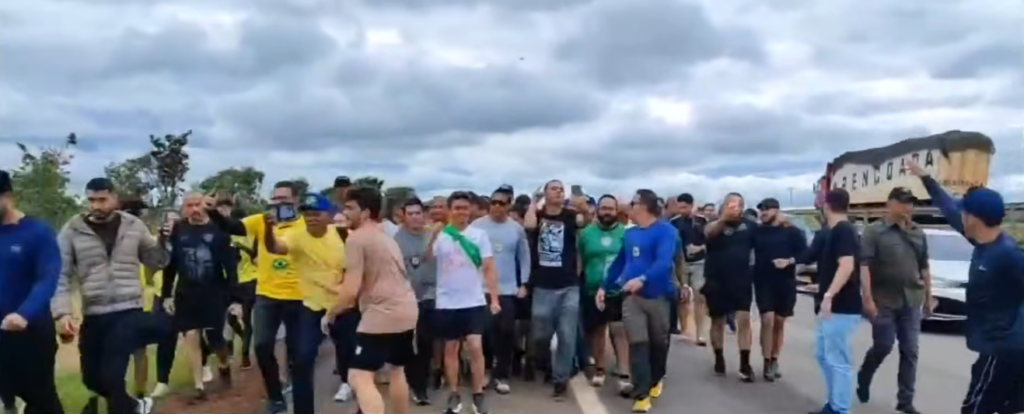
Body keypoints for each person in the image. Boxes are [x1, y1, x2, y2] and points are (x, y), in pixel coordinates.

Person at [908, 160, 1024, 414]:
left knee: (974, 409)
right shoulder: (982, 239)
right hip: (999, 347)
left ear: (974, 218)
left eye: (965, 211)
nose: (960, 214)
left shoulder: (1008, 255)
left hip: (1004, 349)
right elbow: (949, 208)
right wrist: (926, 178)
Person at [52, 178, 171, 414]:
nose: (96, 206)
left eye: (102, 200)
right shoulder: (72, 229)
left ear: (115, 199)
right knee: (92, 380)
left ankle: (125, 407)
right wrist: (62, 312)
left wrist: (164, 240)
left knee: (112, 377)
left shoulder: (133, 225)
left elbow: (156, 261)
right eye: (92, 200)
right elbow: (60, 274)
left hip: (128, 310)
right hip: (94, 313)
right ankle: (136, 406)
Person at [327, 187, 419, 414]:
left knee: (358, 376)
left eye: (349, 208)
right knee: (397, 370)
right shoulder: (386, 237)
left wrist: (330, 313)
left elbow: (350, 292)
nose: (344, 212)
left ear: (366, 212)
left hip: (382, 312)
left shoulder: (356, 239)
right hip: (407, 310)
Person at [264, 193, 351, 414]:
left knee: (354, 360)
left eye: (316, 214)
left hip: (343, 307)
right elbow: (276, 248)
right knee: (302, 360)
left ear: (329, 215)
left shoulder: (342, 235)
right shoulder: (297, 235)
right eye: (307, 214)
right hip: (312, 307)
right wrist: (268, 229)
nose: (311, 218)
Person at [598, 189, 677, 414]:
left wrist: (643, 279)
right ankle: (641, 395)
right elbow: (620, 262)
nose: (627, 207)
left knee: (658, 344)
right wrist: (605, 285)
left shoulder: (666, 231)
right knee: (638, 343)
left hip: (658, 296)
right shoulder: (630, 233)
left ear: (642, 205)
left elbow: (663, 263)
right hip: (632, 298)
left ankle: (656, 378)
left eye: (632, 203)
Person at [161, 192, 241, 402]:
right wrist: (166, 294)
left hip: (214, 292)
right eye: (189, 205)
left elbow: (230, 267)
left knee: (216, 338)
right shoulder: (177, 229)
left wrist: (235, 299)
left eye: (198, 204)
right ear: (183, 208)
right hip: (186, 293)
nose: (195, 209)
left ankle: (224, 364)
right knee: (190, 336)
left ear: (205, 206)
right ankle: (198, 386)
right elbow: (170, 265)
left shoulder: (219, 229)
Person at [235, 181, 307, 414]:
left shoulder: (308, 225)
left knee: (297, 350)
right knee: (262, 346)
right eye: (275, 198)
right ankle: (275, 398)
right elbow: (233, 227)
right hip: (266, 295)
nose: (278, 203)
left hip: (300, 296)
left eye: (284, 198)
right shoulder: (260, 220)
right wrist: (214, 213)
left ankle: (300, 394)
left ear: (296, 200)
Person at [855, 187, 928, 414]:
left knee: (910, 350)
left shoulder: (918, 233)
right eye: (903, 202)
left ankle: (905, 401)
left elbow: (924, 266)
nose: (908, 207)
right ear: (890, 204)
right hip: (883, 300)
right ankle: (864, 376)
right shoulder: (874, 231)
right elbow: (864, 265)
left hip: (911, 299)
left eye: (910, 203)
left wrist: (929, 295)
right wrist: (867, 298)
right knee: (883, 346)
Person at [428, 191, 500, 414]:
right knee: (451, 349)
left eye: (465, 208)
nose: (462, 212)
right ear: (450, 210)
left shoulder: (479, 235)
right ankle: (454, 393)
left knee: (476, 347)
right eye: (457, 208)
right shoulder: (442, 234)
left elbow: (488, 267)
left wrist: (494, 299)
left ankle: (478, 393)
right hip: (447, 302)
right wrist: (435, 234)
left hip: (474, 301)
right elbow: (428, 258)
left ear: (470, 211)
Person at [0, 170, 65, 414]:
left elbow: (48, 277)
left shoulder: (37, 232)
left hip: (30, 332)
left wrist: (24, 314)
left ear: (6, 196)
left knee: (40, 399)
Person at [523, 180, 590, 400]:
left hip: (569, 285)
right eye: (554, 188)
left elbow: (585, 220)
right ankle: (539, 360)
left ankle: (560, 380)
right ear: (545, 194)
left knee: (567, 335)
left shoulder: (570, 216)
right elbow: (530, 226)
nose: (559, 192)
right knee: (540, 332)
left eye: (561, 189)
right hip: (543, 285)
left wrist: (581, 205)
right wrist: (533, 202)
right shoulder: (538, 215)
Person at [472, 185, 531, 395]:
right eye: (493, 202)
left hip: (507, 289)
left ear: (509, 206)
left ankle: (502, 375)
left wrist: (523, 283)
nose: (497, 207)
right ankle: (486, 369)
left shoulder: (516, 228)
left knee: (506, 332)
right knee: (485, 331)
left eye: (501, 203)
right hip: (482, 288)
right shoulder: (477, 226)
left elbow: (524, 257)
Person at [811, 189, 863, 414]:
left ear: (826, 205)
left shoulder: (843, 230)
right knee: (823, 355)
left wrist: (829, 295)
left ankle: (840, 409)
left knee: (838, 360)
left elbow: (847, 265)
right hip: (835, 303)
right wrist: (821, 287)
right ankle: (833, 404)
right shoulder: (837, 231)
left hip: (842, 306)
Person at [578, 195, 631, 393]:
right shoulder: (586, 234)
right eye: (603, 208)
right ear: (597, 210)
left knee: (620, 331)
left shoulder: (626, 234)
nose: (607, 212)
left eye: (611, 208)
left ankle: (624, 373)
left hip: (619, 290)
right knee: (598, 331)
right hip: (592, 289)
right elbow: (580, 261)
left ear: (617, 210)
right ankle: (600, 369)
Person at [703, 193, 757, 381]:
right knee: (717, 321)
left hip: (741, 279)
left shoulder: (749, 225)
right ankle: (719, 356)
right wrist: (723, 219)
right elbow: (709, 235)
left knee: (744, 319)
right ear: (723, 206)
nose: (735, 208)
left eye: (739, 205)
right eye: (731, 204)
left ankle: (745, 363)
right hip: (716, 279)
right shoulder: (714, 225)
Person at [752, 198, 806, 381]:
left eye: (767, 209)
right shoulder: (757, 231)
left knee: (779, 322)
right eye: (761, 210)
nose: (763, 212)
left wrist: (789, 261)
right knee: (767, 320)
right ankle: (766, 360)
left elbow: (804, 255)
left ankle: (775, 358)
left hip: (786, 282)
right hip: (763, 281)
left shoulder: (792, 232)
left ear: (777, 210)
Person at [394, 198, 439, 405]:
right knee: (412, 343)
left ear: (424, 214)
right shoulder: (395, 239)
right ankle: (416, 384)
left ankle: (424, 381)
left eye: (418, 213)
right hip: (406, 297)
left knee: (426, 342)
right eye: (410, 213)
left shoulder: (434, 235)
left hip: (432, 294)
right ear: (403, 216)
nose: (415, 217)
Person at [669, 193, 708, 346]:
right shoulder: (674, 222)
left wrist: (699, 248)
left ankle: (700, 334)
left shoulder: (702, 221)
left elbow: (710, 240)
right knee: (682, 296)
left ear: (692, 206)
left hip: (699, 262)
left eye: (684, 207)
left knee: (700, 297)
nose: (682, 210)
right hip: (681, 263)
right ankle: (685, 329)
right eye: (679, 207)